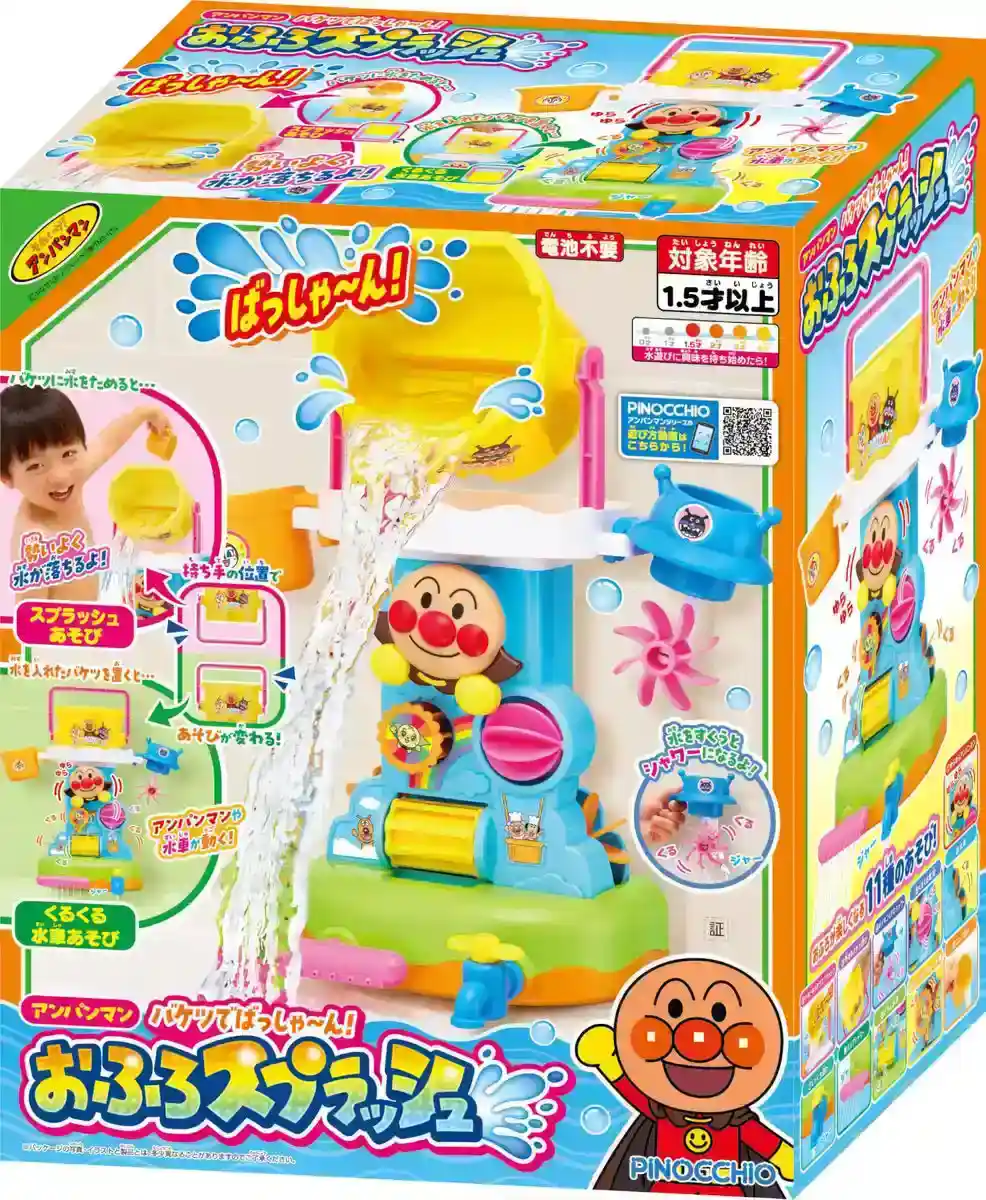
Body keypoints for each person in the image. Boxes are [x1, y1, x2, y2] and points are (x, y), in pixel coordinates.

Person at [576, 957, 793, 1195]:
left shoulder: (737, 1122)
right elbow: (631, 1091)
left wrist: (787, 1158)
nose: (698, 1040)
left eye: (719, 1013)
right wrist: (609, 1061)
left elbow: (768, 1145)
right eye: (675, 1010)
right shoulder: (661, 1111)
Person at [1, 384, 170, 600]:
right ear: (6, 478)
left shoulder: (67, 478)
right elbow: (27, 614)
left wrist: (144, 414)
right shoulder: (35, 544)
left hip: (93, 605)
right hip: (67, 620)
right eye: (36, 466)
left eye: (68, 453)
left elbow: (106, 443)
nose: (61, 476)